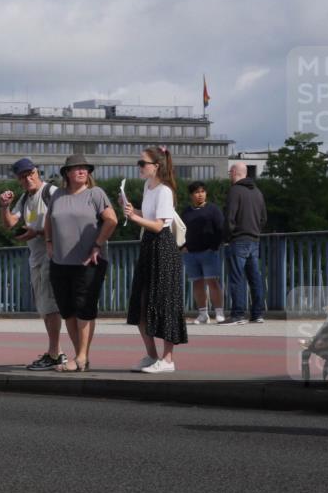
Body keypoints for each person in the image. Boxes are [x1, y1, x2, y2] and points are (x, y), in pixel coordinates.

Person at [44, 155, 117, 372]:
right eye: (76, 168)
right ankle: (79, 356)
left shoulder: (95, 194)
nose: (81, 171)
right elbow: (49, 219)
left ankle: (82, 356)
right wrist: (49, 241)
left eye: (84, 168)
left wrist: (97, 245)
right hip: (60, 262)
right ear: (67, 173)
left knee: (85, 309)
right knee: (68, 311)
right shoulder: (58, 194)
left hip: (88, 262)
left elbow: (111, 220)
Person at [124, 146, 188, 373]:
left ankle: (168, 359)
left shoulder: (164, 190)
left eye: (143, 163)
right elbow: (149, 216)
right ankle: (152, 356)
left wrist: (134, 218)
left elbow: (160, 225)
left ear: (156, 166)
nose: (139, 167)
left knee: (164, 302)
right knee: (141, 302)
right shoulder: (148, 187)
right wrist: (136, 211)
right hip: (149, 247)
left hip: (162, 248)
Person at [0, 158, 63, 370]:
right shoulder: (26, 198)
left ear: (37, 172)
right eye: (22, 177)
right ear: (18, 180)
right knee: (44, 307)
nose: (28, 179)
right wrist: (4, 207)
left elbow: (63, 222)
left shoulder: (51, 192)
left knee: (51, 306)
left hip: (51, 255)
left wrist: (37, 232)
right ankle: (56, 351)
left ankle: (55, 353)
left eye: (30, 174)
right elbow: (10, 223)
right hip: (35, 257)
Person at [224, 162, 268, 325]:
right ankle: (257, 314)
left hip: (238, 240)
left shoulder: (235, 191)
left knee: (237, 278)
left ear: (235, 172)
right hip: (254, 240)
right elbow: (264, 218)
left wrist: (228, 237)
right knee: (254, 277)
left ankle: (238, 314)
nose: (229, 175)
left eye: (230, 172)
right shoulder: (257, 192)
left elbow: (229, 217)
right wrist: (256, 231)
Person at [181, 181, 225, 324]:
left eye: (202, 192)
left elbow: (220, 228)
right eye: (196, 192)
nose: (200, 195)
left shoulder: (213, 209)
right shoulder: (186, 212)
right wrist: (182, 246)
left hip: (208, 252)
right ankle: (203, 314)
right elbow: (180, 230)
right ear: (191, 195)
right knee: (197, 283)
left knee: (212, 281)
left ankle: (219, 312)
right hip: (190, 253)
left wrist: (215, 246)